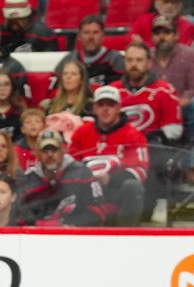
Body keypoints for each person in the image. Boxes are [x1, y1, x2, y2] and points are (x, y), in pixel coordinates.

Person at [68, 86, 148, 226]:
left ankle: (126, 234)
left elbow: (140, 171)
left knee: (133, 187)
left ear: (118, 108)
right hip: (87, 193)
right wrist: (86, 179)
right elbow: (69, 165)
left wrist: (110, 178)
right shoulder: (82, 133)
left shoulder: (133, 135)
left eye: (110, 105)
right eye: (101, 104)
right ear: (94, 108)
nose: (105, 109)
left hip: (115, 192)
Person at [20, 129, 116, 226]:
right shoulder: (28, 180)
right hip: (36, 237)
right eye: (45, 150)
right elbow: (20, 215)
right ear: (38, 154)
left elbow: (99, 209)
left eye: (54, 149)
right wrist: (39, 228)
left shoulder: (81, 173)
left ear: (63, 151)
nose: (50, 155)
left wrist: (73, 226)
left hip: (76, 235)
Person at [110, 41, 182, 144]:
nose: (134, 65)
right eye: (129, 60)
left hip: (154, 151)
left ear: (149, 63)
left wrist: (152, 138)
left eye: (139, 60)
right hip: (118, 150)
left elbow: (175, 129)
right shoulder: (112, 90)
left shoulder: (164, 91)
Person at [150, 15, 194, 144]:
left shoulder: (189, 55)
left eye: (167, 32)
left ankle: (191, 155)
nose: (162, 37)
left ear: (176, 35)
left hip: (183, 106)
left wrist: (175, 104)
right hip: (154, 107)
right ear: (152, 37)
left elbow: (192, 89)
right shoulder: (146, 56)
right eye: (157, 33)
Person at [55, 15, 125, 87]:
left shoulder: (115, 59)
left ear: (103, 35)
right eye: (86, 32)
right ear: (79, 36)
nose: (90, 37)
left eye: (95, 32)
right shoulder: (68, 60)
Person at [13, 107, 46, 171]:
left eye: (37, 121)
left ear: (44, 127)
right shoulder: (16, 150)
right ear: (22, 129)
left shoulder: (50, 146)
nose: (33, 124)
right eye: (28, 122)